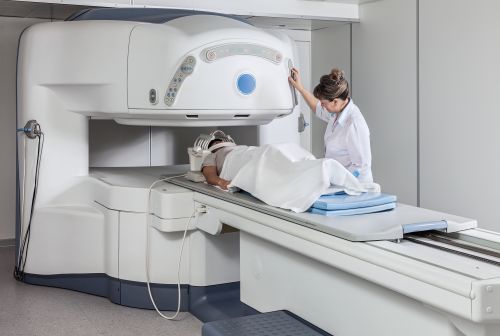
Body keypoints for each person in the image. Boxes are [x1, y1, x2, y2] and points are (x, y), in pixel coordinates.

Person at [200, 137, 378, 213]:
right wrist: (225, 183)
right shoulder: (211, 154)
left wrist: (225, 183)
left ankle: (317, 168)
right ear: (215, 144)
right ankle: (319, 170)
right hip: (241, 161)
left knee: (278, 155)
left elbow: (212, 178)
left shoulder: (237, 147)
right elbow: (210, 177)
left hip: (254, 153)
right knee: (274, 164)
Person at [288, 67, 373, 183]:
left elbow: (362, 167)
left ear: (335, 101)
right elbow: (317, 108)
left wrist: (338, 183)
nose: (322, 106)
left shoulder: (354, 123)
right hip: (337, 184)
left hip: (355, 188)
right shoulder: (336, 112)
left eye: (324, 103)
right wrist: (300, 88)